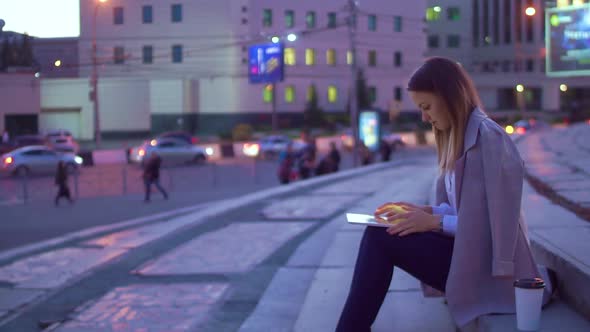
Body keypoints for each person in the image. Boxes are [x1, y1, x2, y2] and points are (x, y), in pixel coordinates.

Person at [336, 57, 553, 331]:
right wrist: (425, 212)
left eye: (427, 107)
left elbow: (499, 226)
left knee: (381, 238)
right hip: (466, 254)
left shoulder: (489, 138)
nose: (425, 117)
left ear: (451, 96)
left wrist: (434, 222)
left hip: (487, 267)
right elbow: (465, 211)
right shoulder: (459, 137)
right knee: (380, 230)